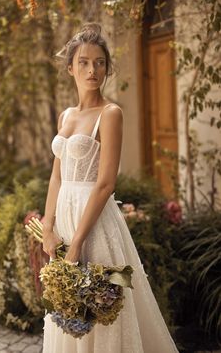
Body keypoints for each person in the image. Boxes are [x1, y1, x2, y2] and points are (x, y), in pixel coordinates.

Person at [42, 22, 179, 353]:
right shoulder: (66, 116)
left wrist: (77, 243)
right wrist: (48, 226)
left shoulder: (111, 113)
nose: (93, 70)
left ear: (106, 67)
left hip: (95, 221)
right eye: (85, 62)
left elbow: (105, 184)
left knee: (101, 305)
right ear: (71, 67)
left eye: (100, 62)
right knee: (69, 306)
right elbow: (57, 176)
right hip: (65, 216)